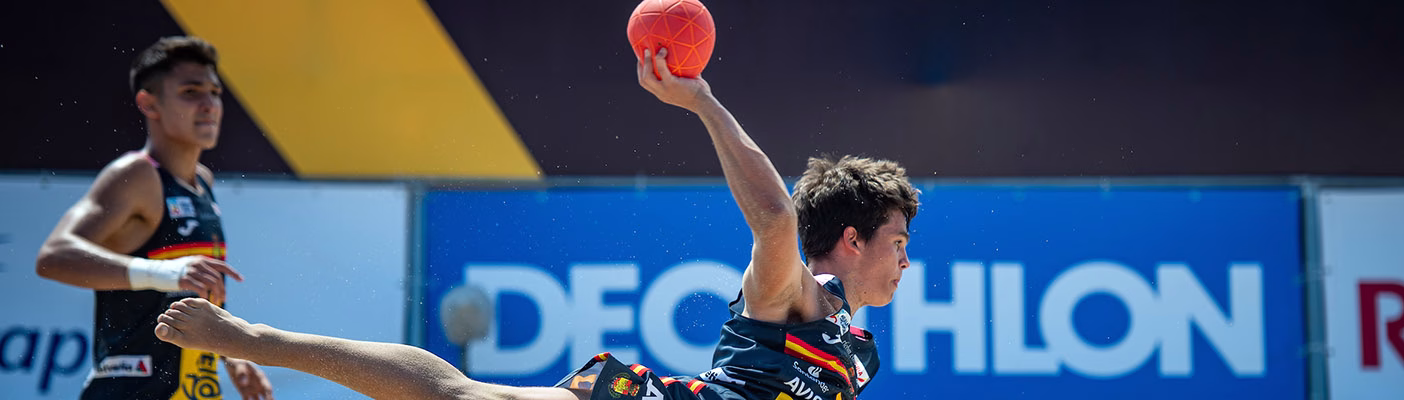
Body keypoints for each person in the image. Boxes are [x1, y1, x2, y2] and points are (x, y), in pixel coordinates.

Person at [150, 46, 918, 400]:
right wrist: (702, 102)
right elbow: (776, 217)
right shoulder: (797, 297)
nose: (907, 262)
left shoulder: (859, 351)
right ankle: (254, 338)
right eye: (898, 242)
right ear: (851, 241)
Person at [36, 36, 274, 400]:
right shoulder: (137, 174)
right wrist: (165, 272)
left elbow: (201, 288)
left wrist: (232, 356)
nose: (209, 104)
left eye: (215, 92)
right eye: (191, 92)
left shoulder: (202, 182)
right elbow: (53, 257)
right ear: (149, 103)